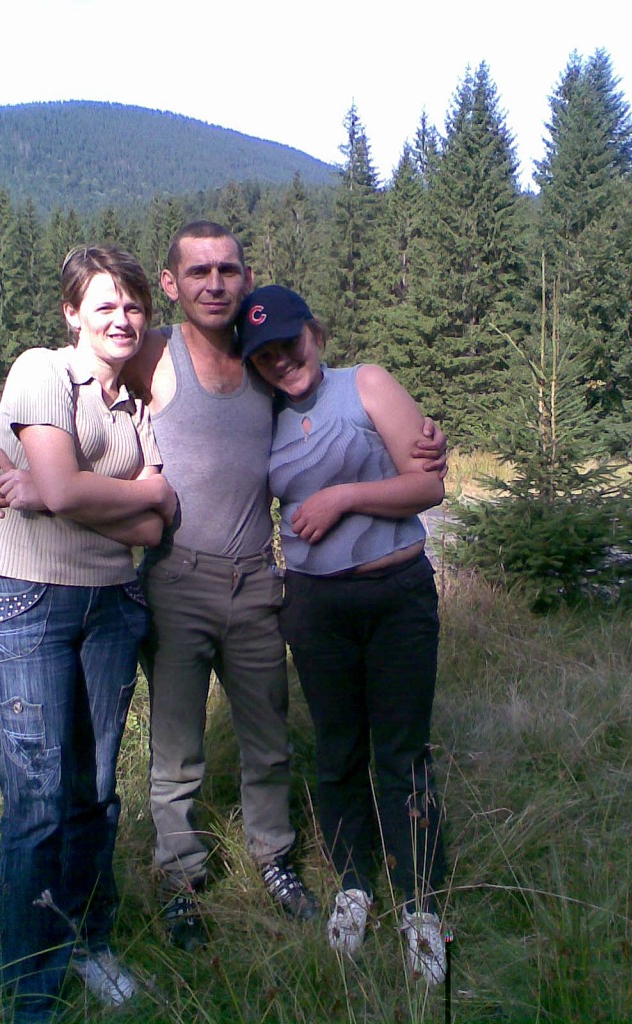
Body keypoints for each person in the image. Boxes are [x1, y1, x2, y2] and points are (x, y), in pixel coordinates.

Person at [0, 222, 449, 953]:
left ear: (246, 277)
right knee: (176, 752)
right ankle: (181, 879)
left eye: (228, 269)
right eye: (197, 271)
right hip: (175, 578)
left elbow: (333, 411)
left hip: (257, 577)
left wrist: (426, 441)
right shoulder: (153, 350)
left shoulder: (264, 359)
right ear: (171, 284)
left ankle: (275, 858)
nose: (214, 282)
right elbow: (65, 392)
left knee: (269, 739)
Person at [0, 246, 177, 1022]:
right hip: (27, 599)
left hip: (111, 605)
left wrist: (70, 493)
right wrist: (119, 494)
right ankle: (30, 988)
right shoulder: (43, 372)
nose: (122, 319)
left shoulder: (136, 406)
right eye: (105, 306)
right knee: (38, 799)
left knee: (94, 793)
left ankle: (89, 942)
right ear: (72, 314)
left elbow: (156, 519)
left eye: (133, 306)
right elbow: (64, 489)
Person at [236, 285, 449, 986]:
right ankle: (354, 885)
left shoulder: (367, 384)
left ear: (314, 333)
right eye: (263, 355)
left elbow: (428, 485)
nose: (280, 360)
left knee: (402, 750)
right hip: (314, 604)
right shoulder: (260, 416)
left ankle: (419, 900)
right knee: (337, 749)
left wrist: (343, 497)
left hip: (396, 597)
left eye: (289, 343)